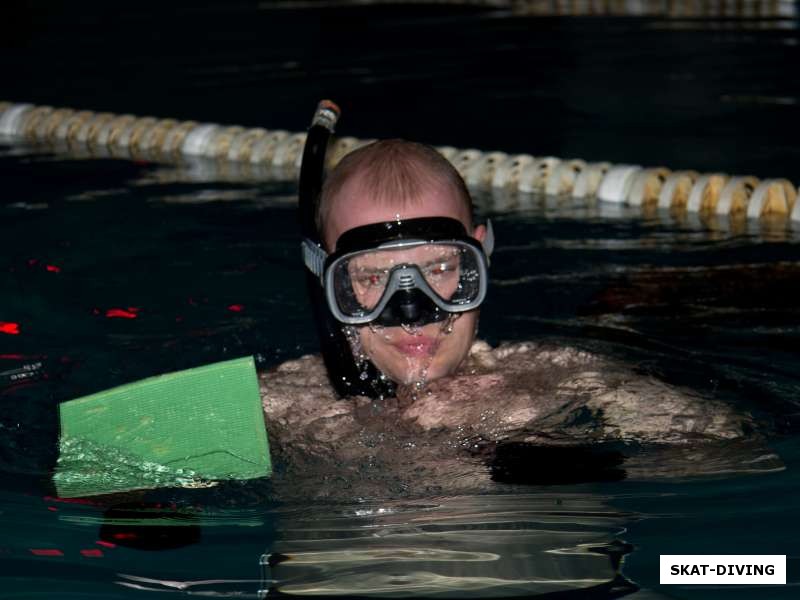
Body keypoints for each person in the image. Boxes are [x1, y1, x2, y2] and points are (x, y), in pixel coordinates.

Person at [260, 138, 776, 500]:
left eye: (439, 268)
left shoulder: (559, 376)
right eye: (373, 279)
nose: (411, 312)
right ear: (329, 281)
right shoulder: (284, 402)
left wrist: (534, 460)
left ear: (479, 255)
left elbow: (735, 456)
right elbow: (178, 500)